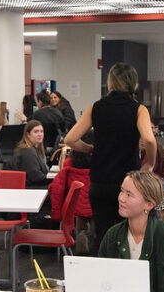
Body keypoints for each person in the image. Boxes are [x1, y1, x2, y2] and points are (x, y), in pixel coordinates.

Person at [65, 62, 156, 255]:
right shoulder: (138, 109)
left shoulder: (96, 107)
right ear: (134, 84)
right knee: (128, 236)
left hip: (100, 182)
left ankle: (103, 279)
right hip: (128, 184)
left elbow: (70, 139)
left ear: (110, 82)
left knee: (103, 237)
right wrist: (151, 163)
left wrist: (89, 148)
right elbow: (149, 139)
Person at [10, 120, 49, 187]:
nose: (40, 134)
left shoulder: (35, 149)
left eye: (41, 131)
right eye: (36, 132)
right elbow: (36, 177)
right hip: (30, 189)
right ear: (28, 134)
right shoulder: (28, 151)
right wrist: (56, 178)